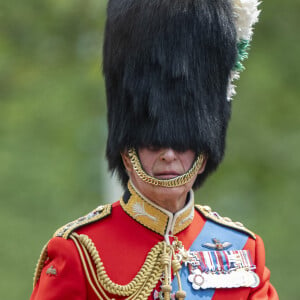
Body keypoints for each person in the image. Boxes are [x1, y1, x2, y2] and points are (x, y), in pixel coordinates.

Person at [30, 0, 279, 299]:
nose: (169, 155)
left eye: (185, 142)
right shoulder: (79, 251)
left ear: (202, 156)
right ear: (127, 153)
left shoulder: (243, 249)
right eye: (153, 142)